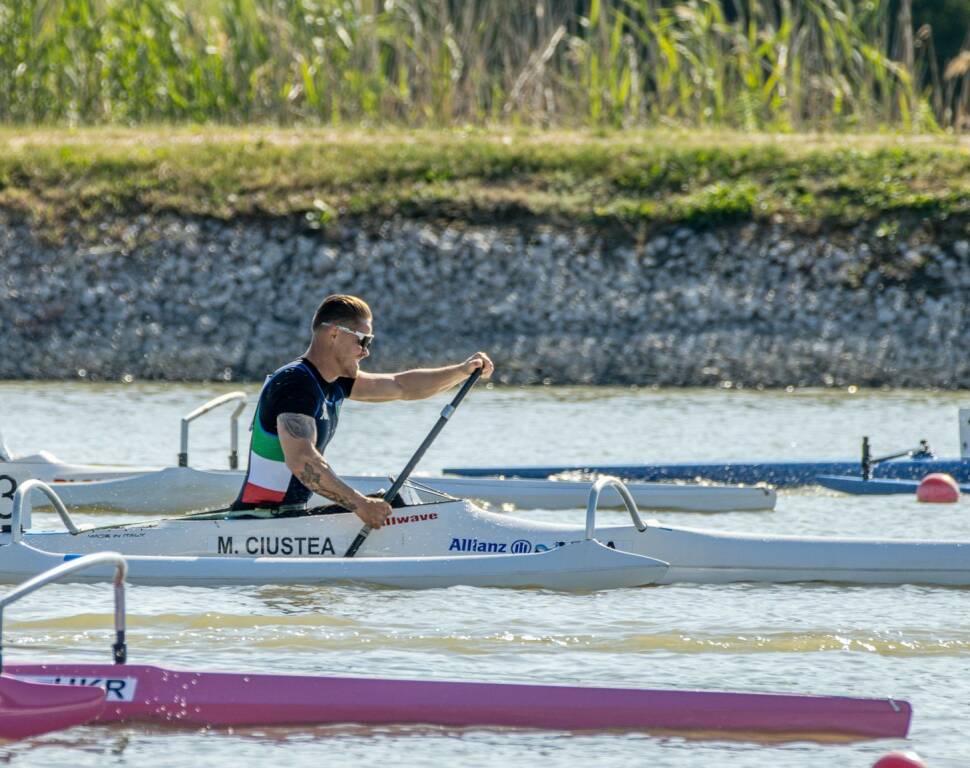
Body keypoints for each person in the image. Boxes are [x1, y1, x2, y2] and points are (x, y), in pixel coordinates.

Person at [231, 294, 493, 529]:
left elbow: (402, 386)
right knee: (388, 510)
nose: (366, 351)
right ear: (334, 334)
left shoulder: (335, 381)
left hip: (289, 518)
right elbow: (302, 461)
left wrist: (462, 371)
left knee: (395, 503)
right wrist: (360, 505)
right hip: (258, 522)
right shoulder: (294, 384)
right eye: (362, 340)